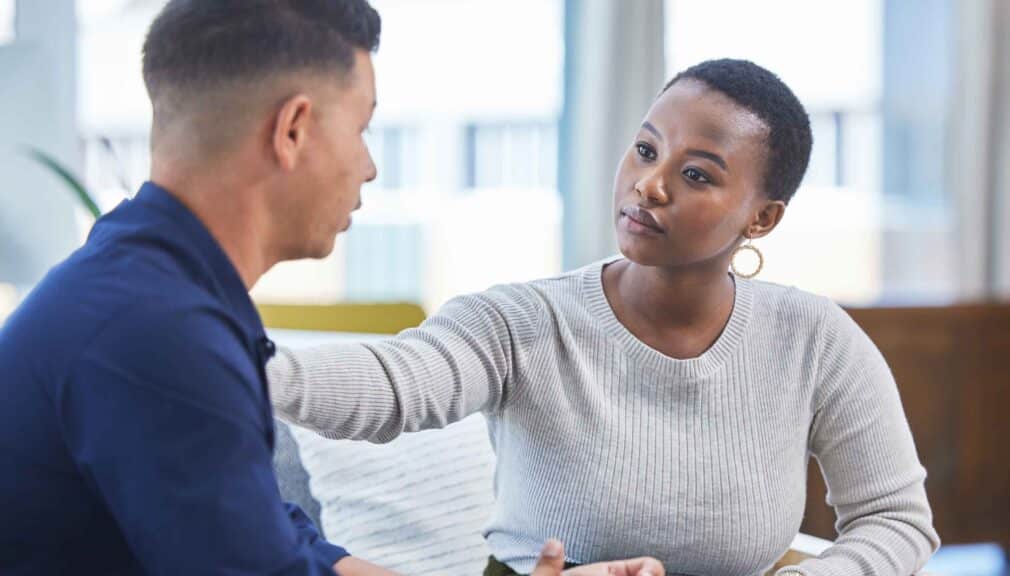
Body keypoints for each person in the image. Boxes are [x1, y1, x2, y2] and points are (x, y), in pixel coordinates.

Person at [0, 1, 664, 575]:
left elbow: (284, 547)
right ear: (292, 130)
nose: (370, 167)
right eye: (362, 128)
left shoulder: (148, 286)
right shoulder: (155, 331)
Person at [270, 59, 941, 575]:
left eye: (698, 175)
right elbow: (398, 382)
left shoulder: (814, 339)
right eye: (647, 151)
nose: (650, 184)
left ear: (762, 218)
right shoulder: (522, 321)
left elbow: (896, 520)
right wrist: (244, 364)